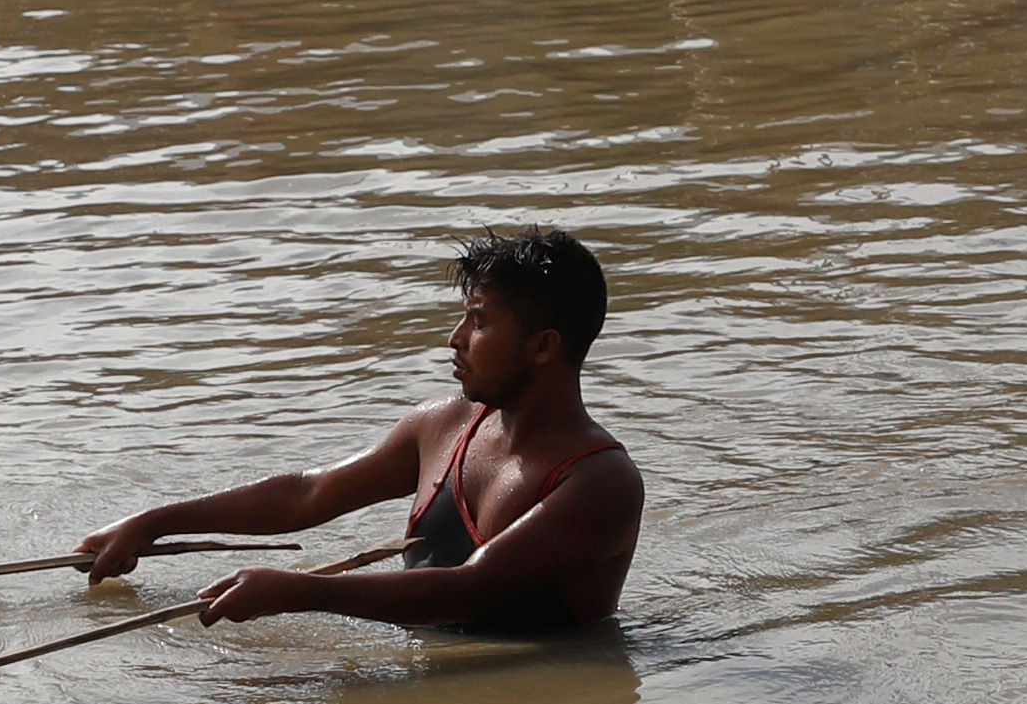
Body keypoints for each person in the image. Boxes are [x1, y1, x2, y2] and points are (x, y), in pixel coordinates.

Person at [72, 228, 642, 632]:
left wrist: (300, 591)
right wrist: (152, 522)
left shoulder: (597, 481)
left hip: (537, 693)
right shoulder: (441, 424)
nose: (455, 338)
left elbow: (469, 591)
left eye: (479, 321)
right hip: (441, 680)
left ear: (544, 346)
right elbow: (308, 493)